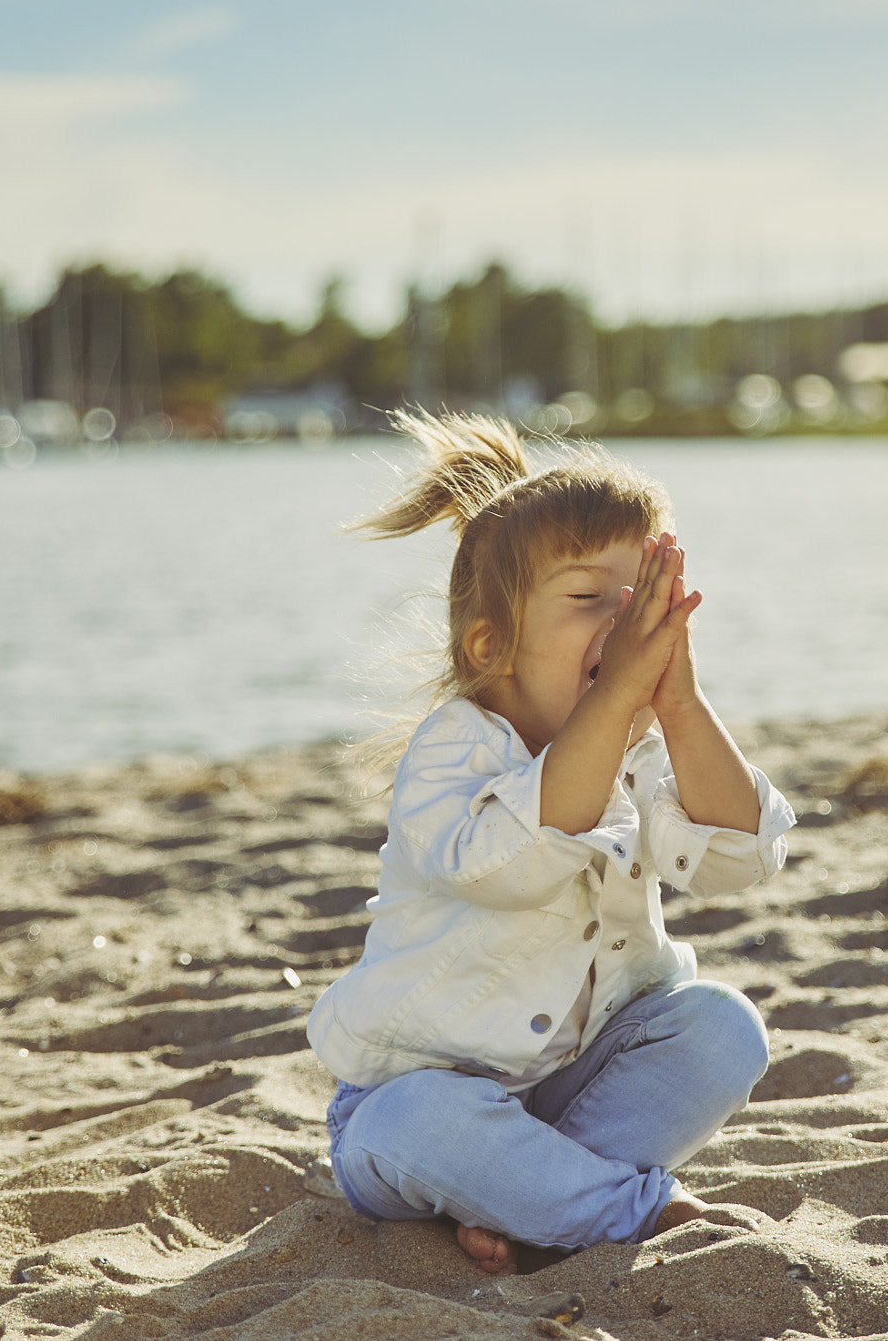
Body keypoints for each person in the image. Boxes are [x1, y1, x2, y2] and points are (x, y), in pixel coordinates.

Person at [306, 408, 795, 1275]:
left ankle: (531, 1201)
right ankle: (615, 1206)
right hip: (419, 1096)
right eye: (586, 600)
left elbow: (740, 858)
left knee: (725, 1028)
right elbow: (508, 867)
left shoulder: (642, 748)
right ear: (493, 643)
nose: (624, 625)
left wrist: (678, 704)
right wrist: (614, 707)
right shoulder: (455, 745)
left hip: (574, 1084)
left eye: (639, 601)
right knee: (407, 1125)